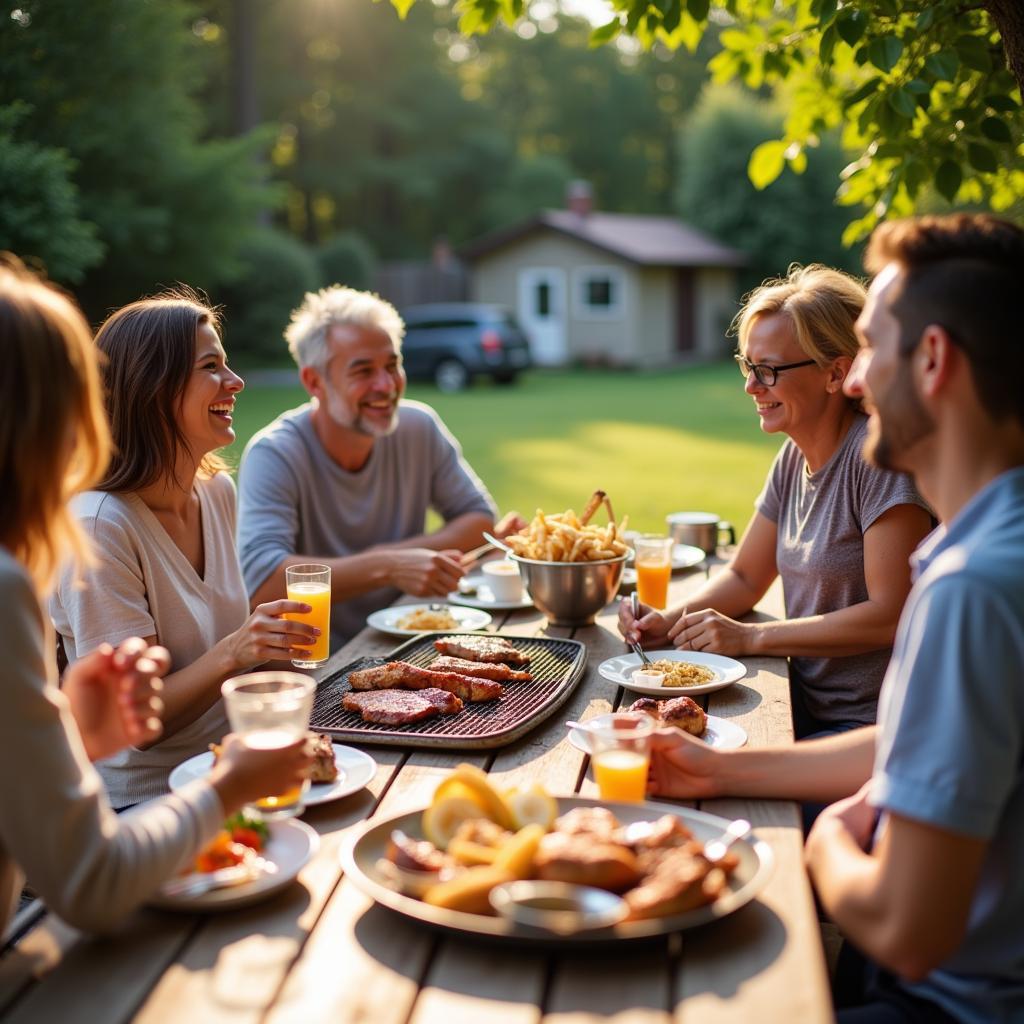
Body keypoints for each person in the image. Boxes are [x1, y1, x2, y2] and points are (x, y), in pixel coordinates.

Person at [646, 214, 1024, 1022]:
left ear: (932, 362)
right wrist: (713, 770)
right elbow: (916, 742)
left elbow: (905, 930)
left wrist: (813, 842)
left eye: (870, 352)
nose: (856, 383)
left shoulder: (976, 585)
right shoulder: (981, 547)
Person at [0, 258, 310, 933]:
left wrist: (79, 727)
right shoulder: (92, 527)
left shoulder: (216, 492)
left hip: (218, 785)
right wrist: (230, 779)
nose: (86, 419)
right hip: (150, 814)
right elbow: (90, 876)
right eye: (74, 393)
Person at [620, 266, 932, 736]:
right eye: (748, 366)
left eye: (768, 370)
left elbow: (892, 614)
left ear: (836, 373)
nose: (751, 386)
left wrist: (753, 637)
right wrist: (668, 622)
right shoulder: (793, 457)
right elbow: (746, 576)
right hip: (801, 704)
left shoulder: (877, 463)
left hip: (867, 730)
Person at [50, 291, 319, 809]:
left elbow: (238, 664)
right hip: (146, 803)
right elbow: (138, 725)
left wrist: (278, 660)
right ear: (155, 389)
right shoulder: (101, 526)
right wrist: (238, 650)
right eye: (211, 366)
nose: (236, 381)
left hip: (233, 769)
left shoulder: (216, 490)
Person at [237, 286, 513, 645]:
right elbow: (262, 581)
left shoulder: (419, 426)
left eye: (392, 365)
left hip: (411, 639)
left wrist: (403, 562)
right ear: (314, 381)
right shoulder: (275, 452)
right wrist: (389, 567)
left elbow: (479, 520)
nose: (386, 385)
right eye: (363, 371)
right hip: (316, 664)